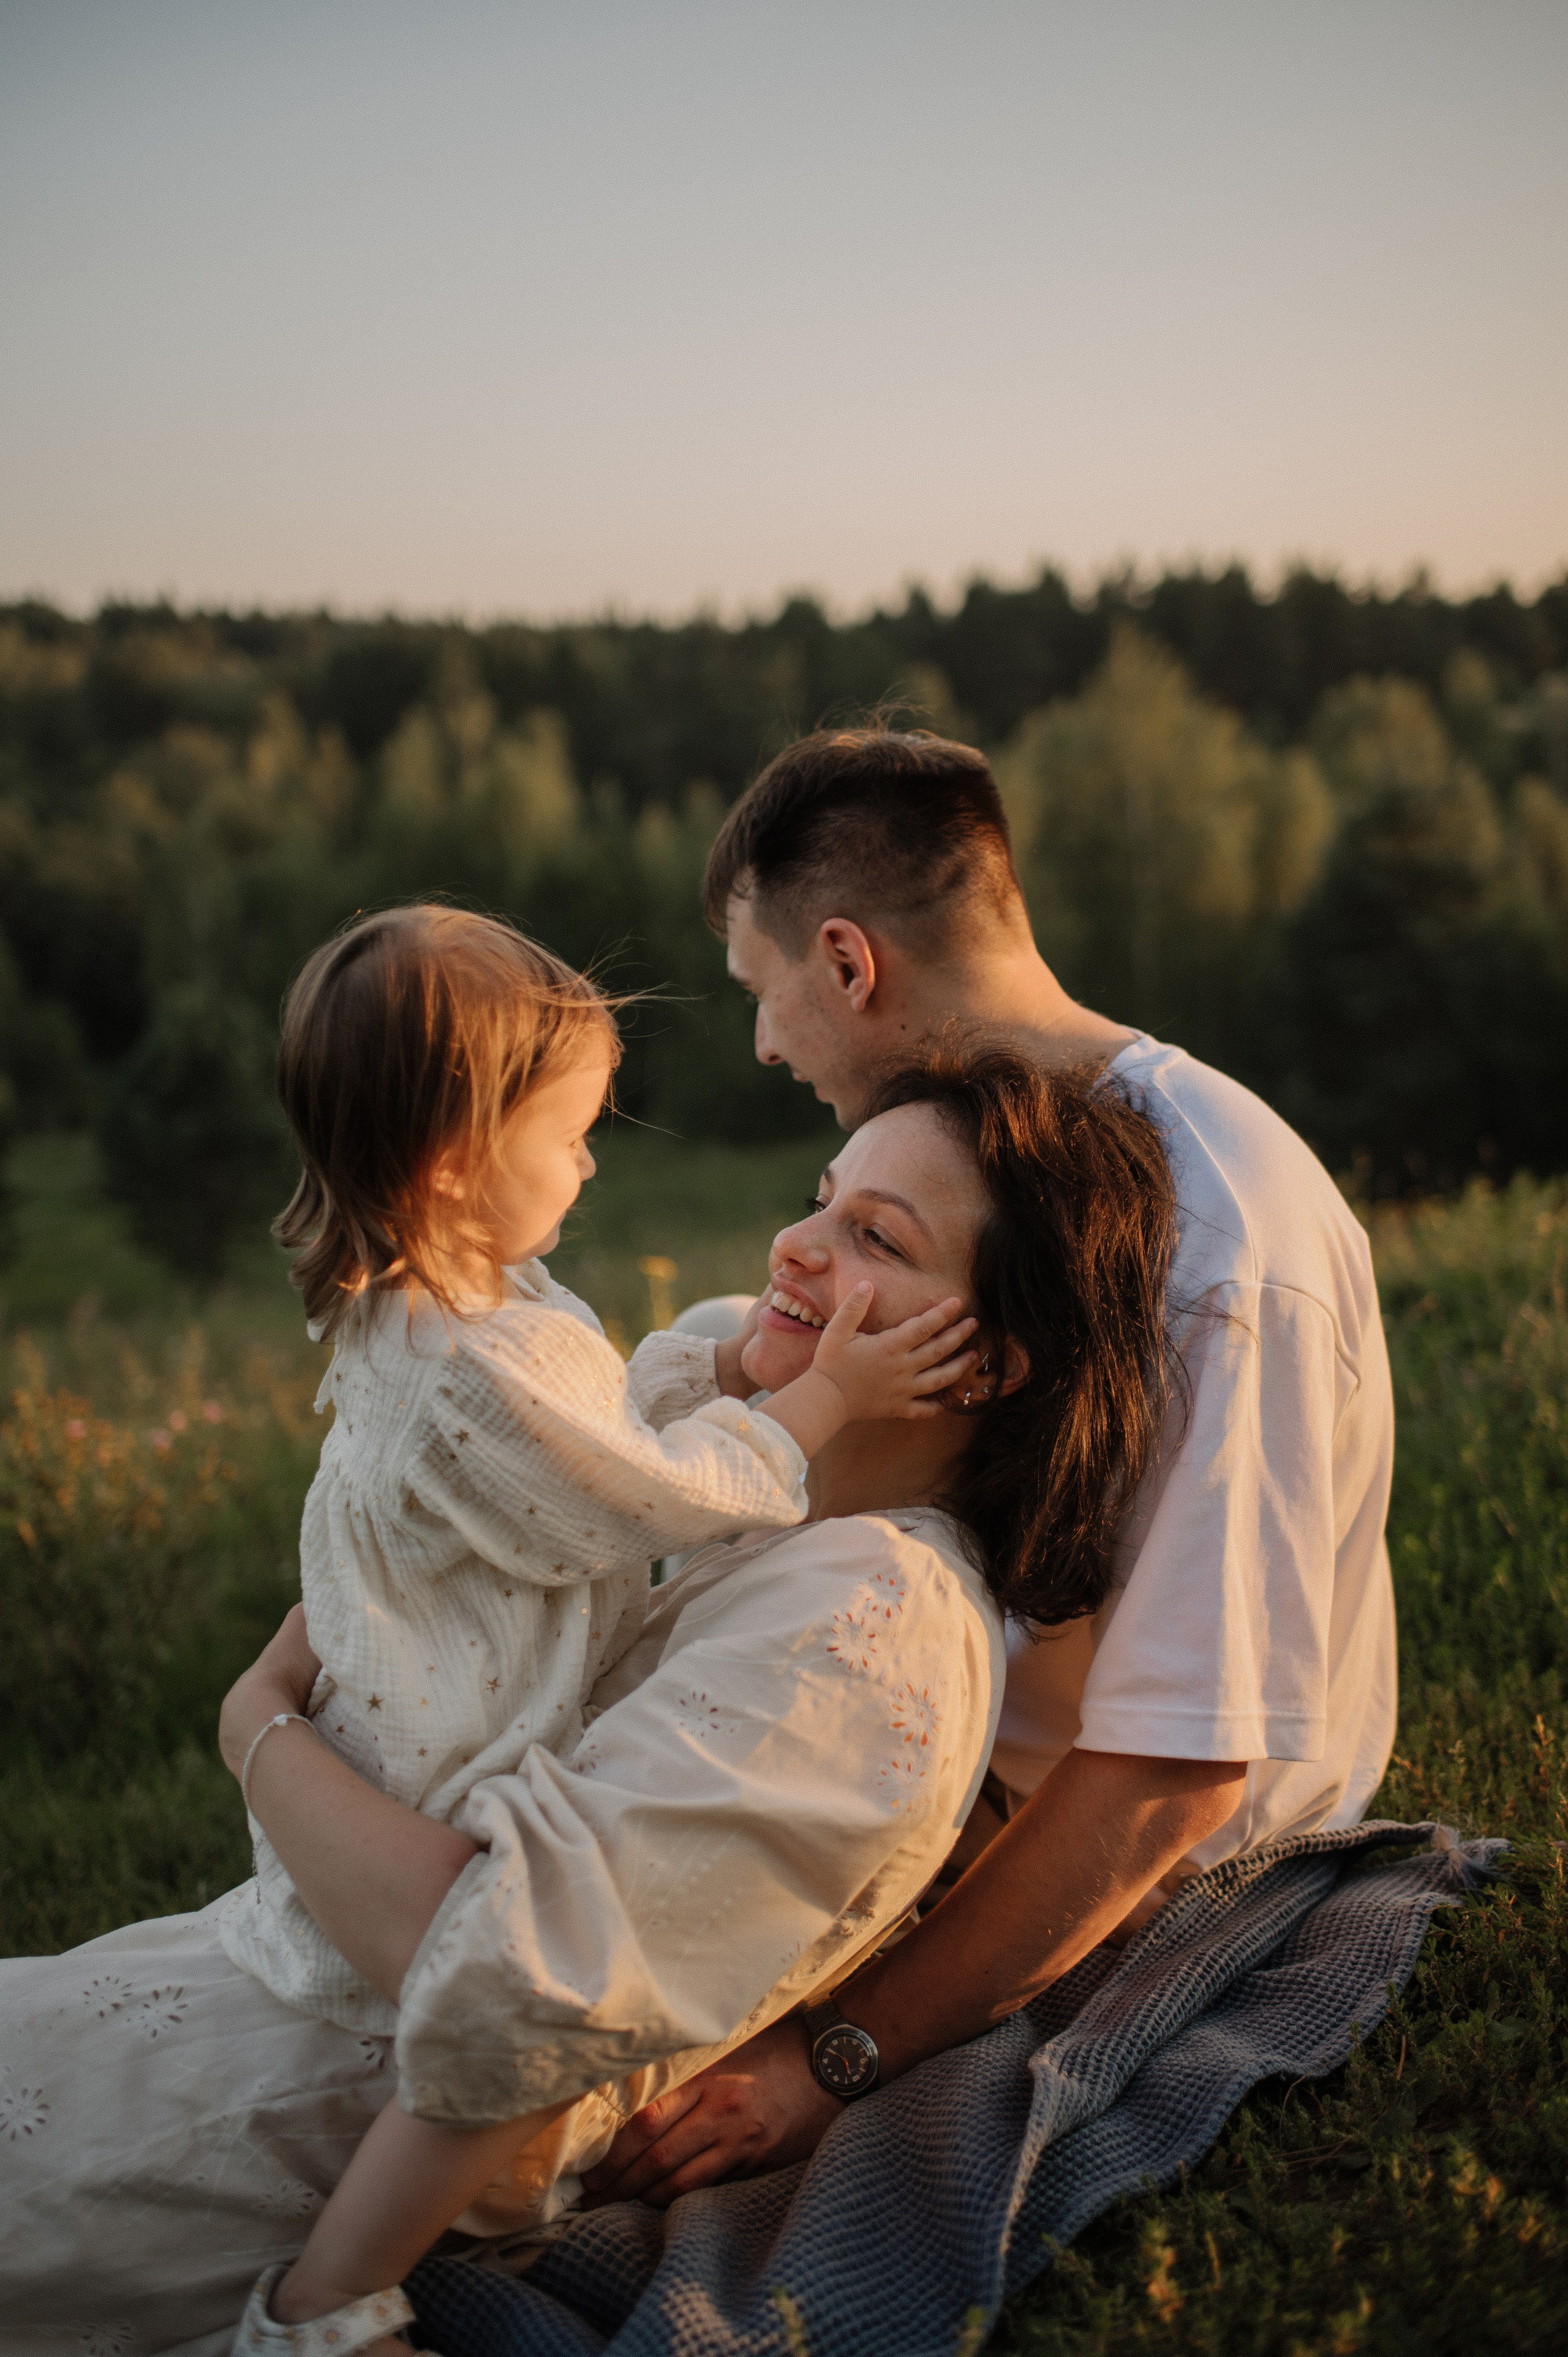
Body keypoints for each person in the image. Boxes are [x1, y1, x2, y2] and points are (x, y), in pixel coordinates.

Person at [0, 1047, 1178, 2357]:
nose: (793, 1246)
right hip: (244, 1983)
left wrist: (256, 1730)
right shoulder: (779, 1505)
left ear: (989, 1358)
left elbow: (491, 1962)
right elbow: (647, 1400)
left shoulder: (874, 1624)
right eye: (818, 1195)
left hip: (292, 2108)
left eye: (871, 1237)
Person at [582, 723, 1398, 2208]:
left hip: (1104, 1867)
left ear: (846, 962)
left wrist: (830, 2058)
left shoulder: (1222, 1243)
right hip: (901, 1764)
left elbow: (1169, 1775)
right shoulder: (958, 1153)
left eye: (763, 993)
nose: (764, 1047)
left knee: (555, 2096)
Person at [222, 905, 979, 2353]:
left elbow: (606, 1433)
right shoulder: (479, 1364)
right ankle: (321, 2308)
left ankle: (328, 2282)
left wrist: (734, 1367)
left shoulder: (442, 1306)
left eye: (867, 1227)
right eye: (568, 1135)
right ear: (454, 1161)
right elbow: (639, 1486)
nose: (588, 1159)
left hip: (399, 1760)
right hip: (441, 1752)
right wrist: (815, 1399)